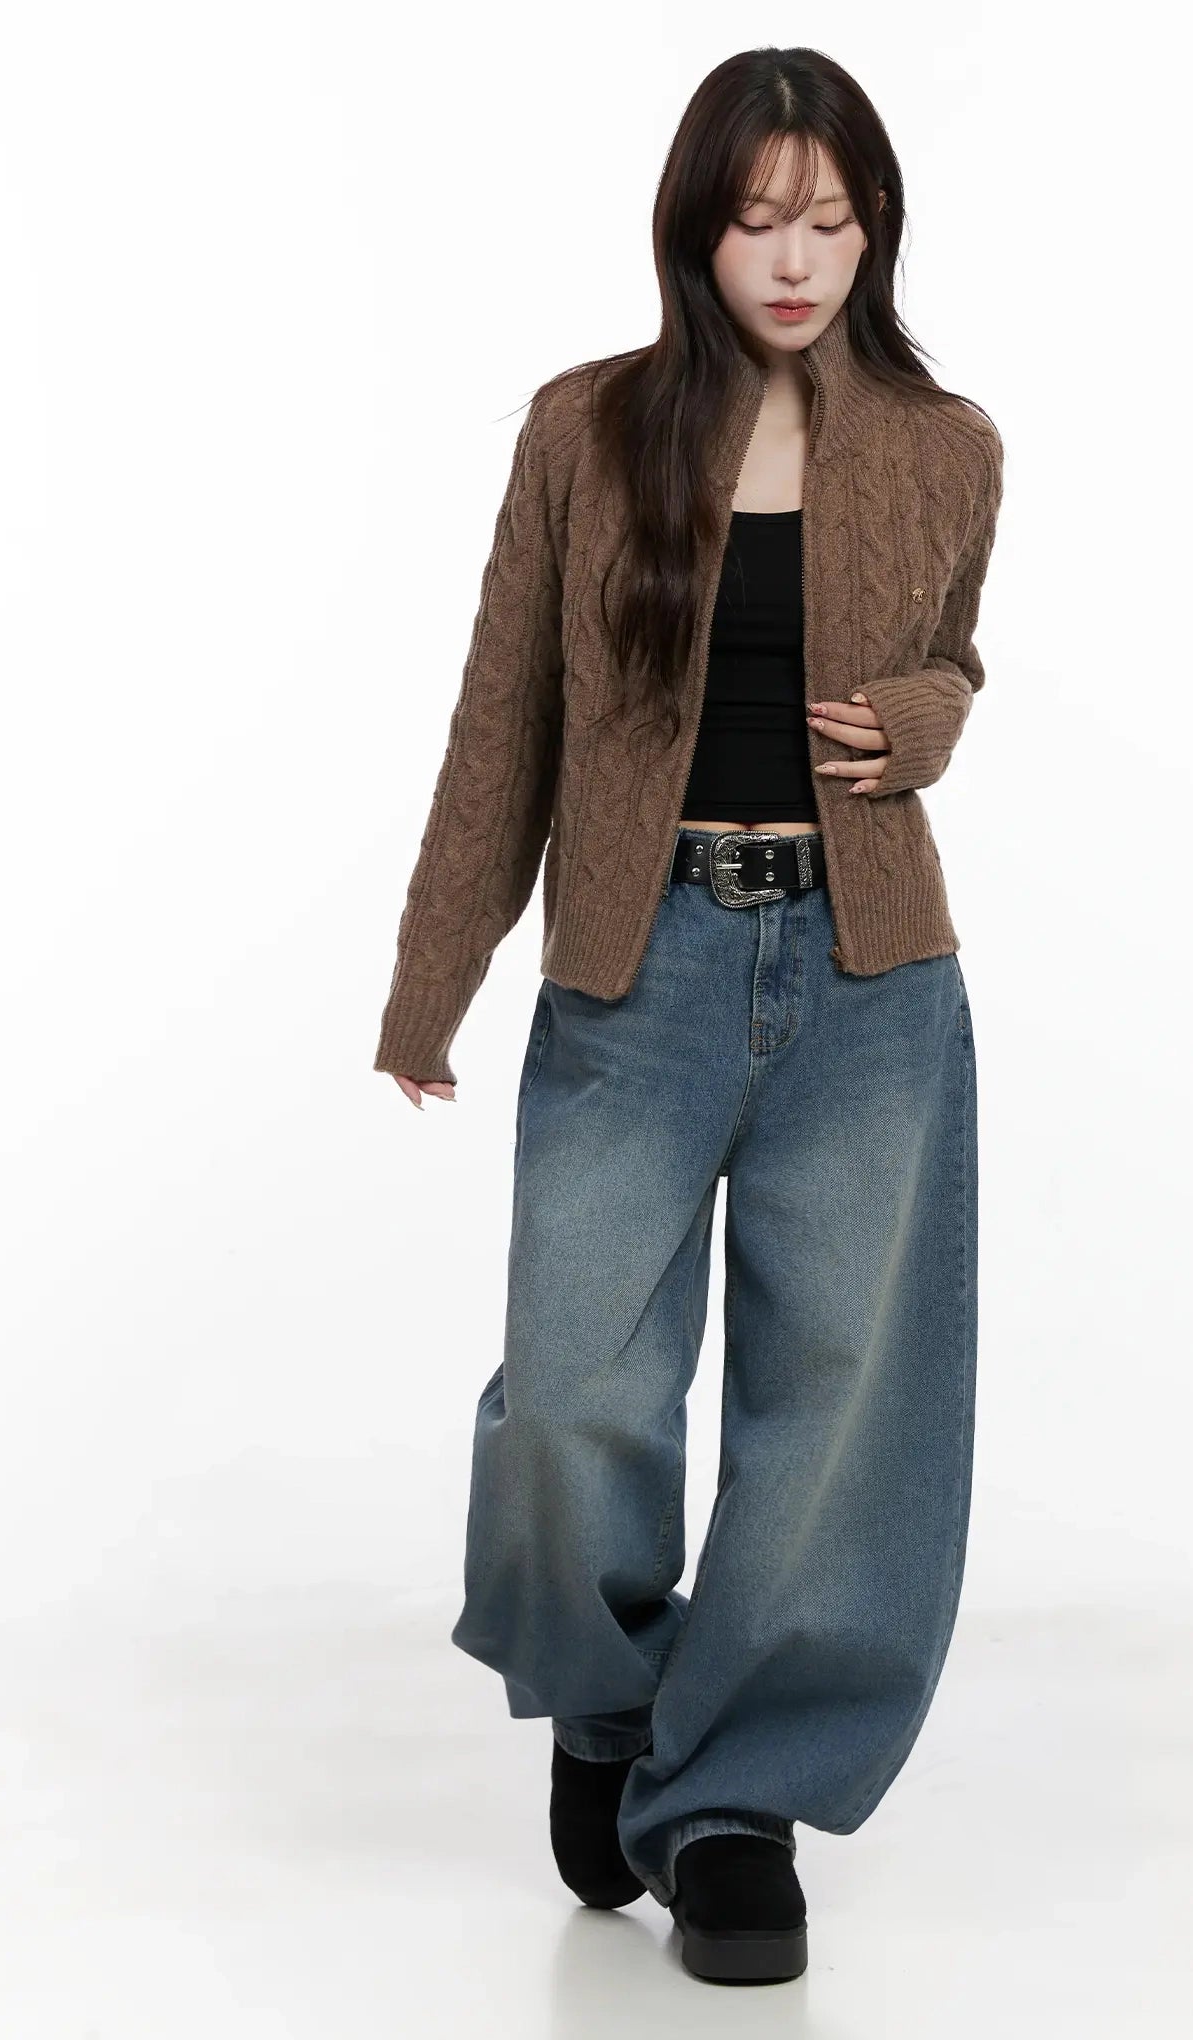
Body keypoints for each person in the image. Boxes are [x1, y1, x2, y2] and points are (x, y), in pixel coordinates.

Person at [373, 46, 1005, 1986]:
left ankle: (737, 1804)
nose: (794, 260)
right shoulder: (587, 431)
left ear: (875, 230)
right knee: (573, 1395)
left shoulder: (947, 444)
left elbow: (952, 657)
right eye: (756, 221)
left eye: (830, 220)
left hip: (869, 982)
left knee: (843, 1415)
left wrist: (929, 718)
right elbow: (506, 716)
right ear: (695, 231)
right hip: (637, 973)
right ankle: (607, 1698)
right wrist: (432, 977)